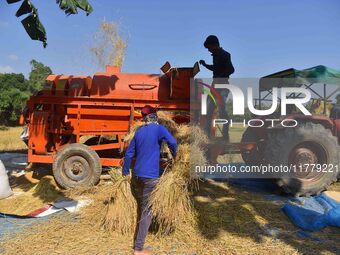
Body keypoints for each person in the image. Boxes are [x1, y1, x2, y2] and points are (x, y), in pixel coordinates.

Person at [122, 105, 177, 255]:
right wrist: (175, 156)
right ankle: (138, 248)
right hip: (150, 177)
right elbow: (172, 142)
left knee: (142, 206)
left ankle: (139, 237)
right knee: (147, 211)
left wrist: (125, 172)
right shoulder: (159, 129)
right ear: (154, 116)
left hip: (137, 176)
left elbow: (128, 155)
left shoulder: (139, 132)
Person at [199, 35, 234, 141]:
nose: (209, 50)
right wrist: (205, 65)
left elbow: (231, 69)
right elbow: (215, 68)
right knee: (209, 111)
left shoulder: (225, 55)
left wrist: (220, 77)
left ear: (214, 45)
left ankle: (225, 136)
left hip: (222, 86)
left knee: (222, 110)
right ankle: (207, 136)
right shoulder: (215, 55)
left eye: (209, 47)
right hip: (215, 86)